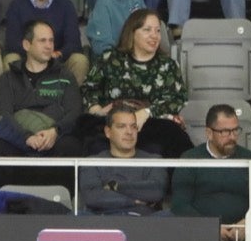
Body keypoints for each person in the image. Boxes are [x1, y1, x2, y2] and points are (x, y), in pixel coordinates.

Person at [81, 9, 190, 157]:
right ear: (132, 32)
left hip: (151, 124)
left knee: (177, 137)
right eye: (147, 30)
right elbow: (89, 88)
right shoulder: (110, 59)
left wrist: (147, 112)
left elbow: (177, 98)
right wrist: (96, 108)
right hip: (113, 123)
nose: (154, 36)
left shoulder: (168, 65)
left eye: (158, 31)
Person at [0, 19, 85, 173]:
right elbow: (2, 114)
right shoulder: (8, 78)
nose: (49, 46)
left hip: (54, 140)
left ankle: (61, 196)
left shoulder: (65, 76)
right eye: (42, 41)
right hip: (19, 141)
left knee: (72, 146)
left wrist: (55, 132)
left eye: (51, 40)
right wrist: (26, 137)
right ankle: (7, 195)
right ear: (26, 45)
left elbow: (74, 112)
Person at [170, 104, 251, 241]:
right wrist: (209, 226)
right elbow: (180, 204)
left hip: (244, 228)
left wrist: (247, 223)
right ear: (209, 133)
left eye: (235, 130)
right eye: (225, 132)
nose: (232, 137)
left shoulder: (249, 159)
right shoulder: (190, 159)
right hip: (200, 227)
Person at [2, 0, 87, 86]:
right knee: (11, 59)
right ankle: (19, 100)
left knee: (80, 60)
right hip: (27, 59)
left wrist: (56, 54)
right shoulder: (17, 5)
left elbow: (74, 43)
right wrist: (36, 55)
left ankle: (69, 101)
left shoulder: (66, 6)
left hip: (56, 59)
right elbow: (12, 43)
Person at [76, 104, 170, 215]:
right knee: (78, 215)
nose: (129, 132)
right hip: (104, 222)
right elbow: (93, 197)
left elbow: (155, 192)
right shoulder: (92, 162)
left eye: (133, 126)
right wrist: (132, 201)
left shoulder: (154, 160)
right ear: (108, 132)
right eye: (121, 126)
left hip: (144, 223)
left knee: (167, 215)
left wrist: (114, 186)